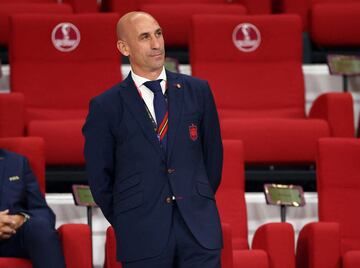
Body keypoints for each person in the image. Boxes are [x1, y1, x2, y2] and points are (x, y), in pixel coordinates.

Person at [83, 11, 223, 268]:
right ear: (124, 47)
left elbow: (213, 158)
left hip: (198, 231)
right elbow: (100, 178)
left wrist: (195, 200)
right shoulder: (106, 106)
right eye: (145, 37)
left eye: (158, 33)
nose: (156, 44)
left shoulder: (198, 91)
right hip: (141, 234)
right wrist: (129, 218)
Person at [0, 149, 66, 268]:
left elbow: (42, 210)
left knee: (40, 227)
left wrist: (21, 218)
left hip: (12, 235)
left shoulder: (17, 162)